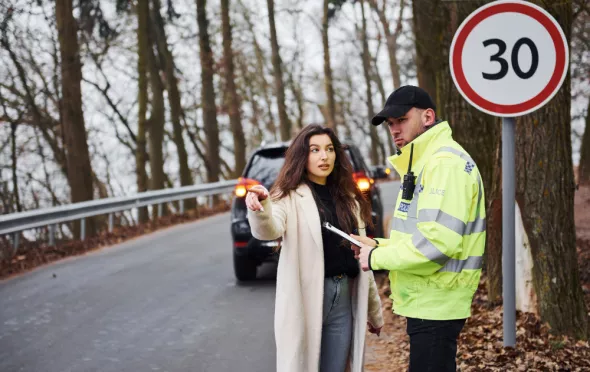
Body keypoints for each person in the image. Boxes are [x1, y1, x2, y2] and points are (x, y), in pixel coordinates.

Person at [351, 85, 486, 372]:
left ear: (427, 116)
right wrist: (377, 245)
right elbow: (420, 235)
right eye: (390, 124)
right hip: (429, 301)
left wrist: (376, 259)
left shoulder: (444, 164)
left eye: (401, 120)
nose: (394, 129)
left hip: (437, 302)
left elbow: (437, 245)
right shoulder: (424, 162)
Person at [245, 124, 384, 372]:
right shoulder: (287, 196)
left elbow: (363, 258)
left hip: (344, 297)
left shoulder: (348, 199)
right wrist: (260, 209)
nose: (324, 156)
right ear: (302, 156)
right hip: (306, 299)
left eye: (330, 149)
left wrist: (374, 312)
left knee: (337, 368)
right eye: (315, 150)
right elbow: (269, 229)